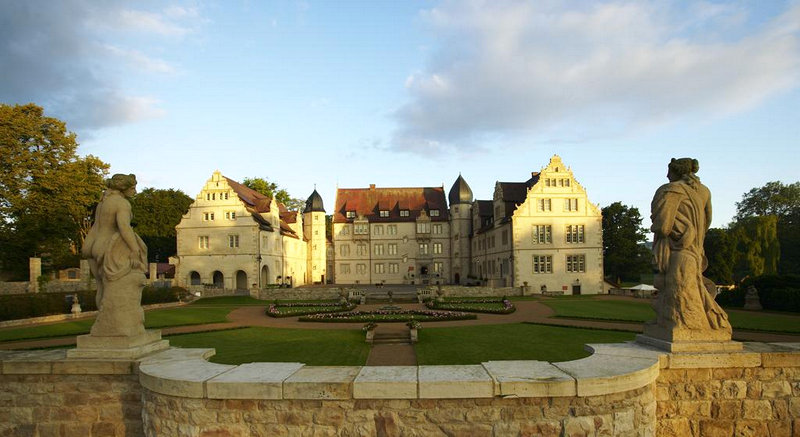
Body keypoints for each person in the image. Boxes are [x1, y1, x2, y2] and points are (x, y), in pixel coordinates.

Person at [650, 158, 730, 335]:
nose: (666, 175)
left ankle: (686, 327)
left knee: (680, 292)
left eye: (669, 171)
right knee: (691, 288)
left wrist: (680, 231)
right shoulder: (704, 191)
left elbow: (662, 225)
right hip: (695, 249)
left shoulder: (670, 190)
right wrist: (695, 235)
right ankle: (693, 325)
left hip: (677, 248)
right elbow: (707, 220)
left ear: (676, 171)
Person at [81, 174, 148, 337]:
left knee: (102, 288)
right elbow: (124, 227)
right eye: (132, 188)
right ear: (123, 188)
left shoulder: (104, 202)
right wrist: (134, 249)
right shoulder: (122, 203)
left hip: (92, 244)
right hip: (109, 246)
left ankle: (104, 328)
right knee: (118, 286)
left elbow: (98, 225)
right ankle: (119, 327)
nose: (135, 191)